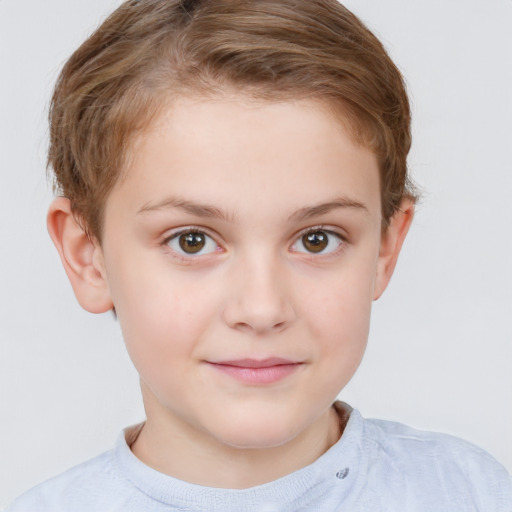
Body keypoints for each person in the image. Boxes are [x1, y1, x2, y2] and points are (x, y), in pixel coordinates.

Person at [6, 0, 511, 510]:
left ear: (384, 248)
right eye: (192, 241)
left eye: (317, 239)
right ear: (88, 257)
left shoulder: (472, 495)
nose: (262, 309)